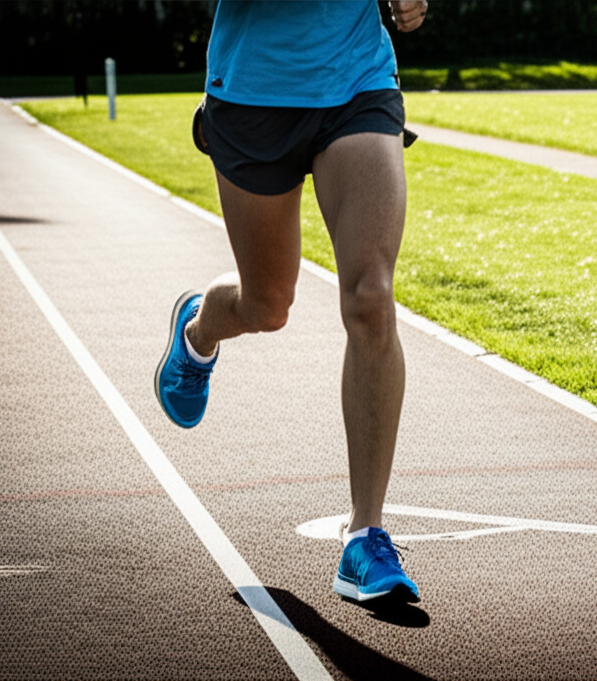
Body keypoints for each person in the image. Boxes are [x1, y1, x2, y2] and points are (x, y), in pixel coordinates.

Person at [154, 0, 428, 603]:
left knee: (372, 298)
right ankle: (199, 331)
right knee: (267, 304)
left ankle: (365, 537)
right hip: (253, 94)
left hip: (357, 81)